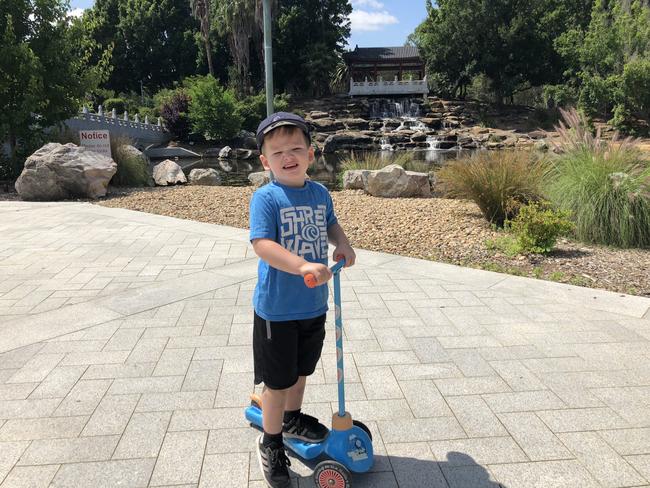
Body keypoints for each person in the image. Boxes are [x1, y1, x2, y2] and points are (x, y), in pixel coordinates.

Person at [249, 112, 356, 488]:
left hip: (313, 306)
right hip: (277, 310)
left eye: (296, 148)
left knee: (301, 372)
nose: (288, 156)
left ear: (311, 154)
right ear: (266, 161)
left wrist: (341, 243)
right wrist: (301, 265)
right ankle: (272, 441)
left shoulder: (319, 193)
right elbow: (262, 245)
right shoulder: (266, 197)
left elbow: (330, 223)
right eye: (278, 152)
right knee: (276, 384)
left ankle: (292, 417)